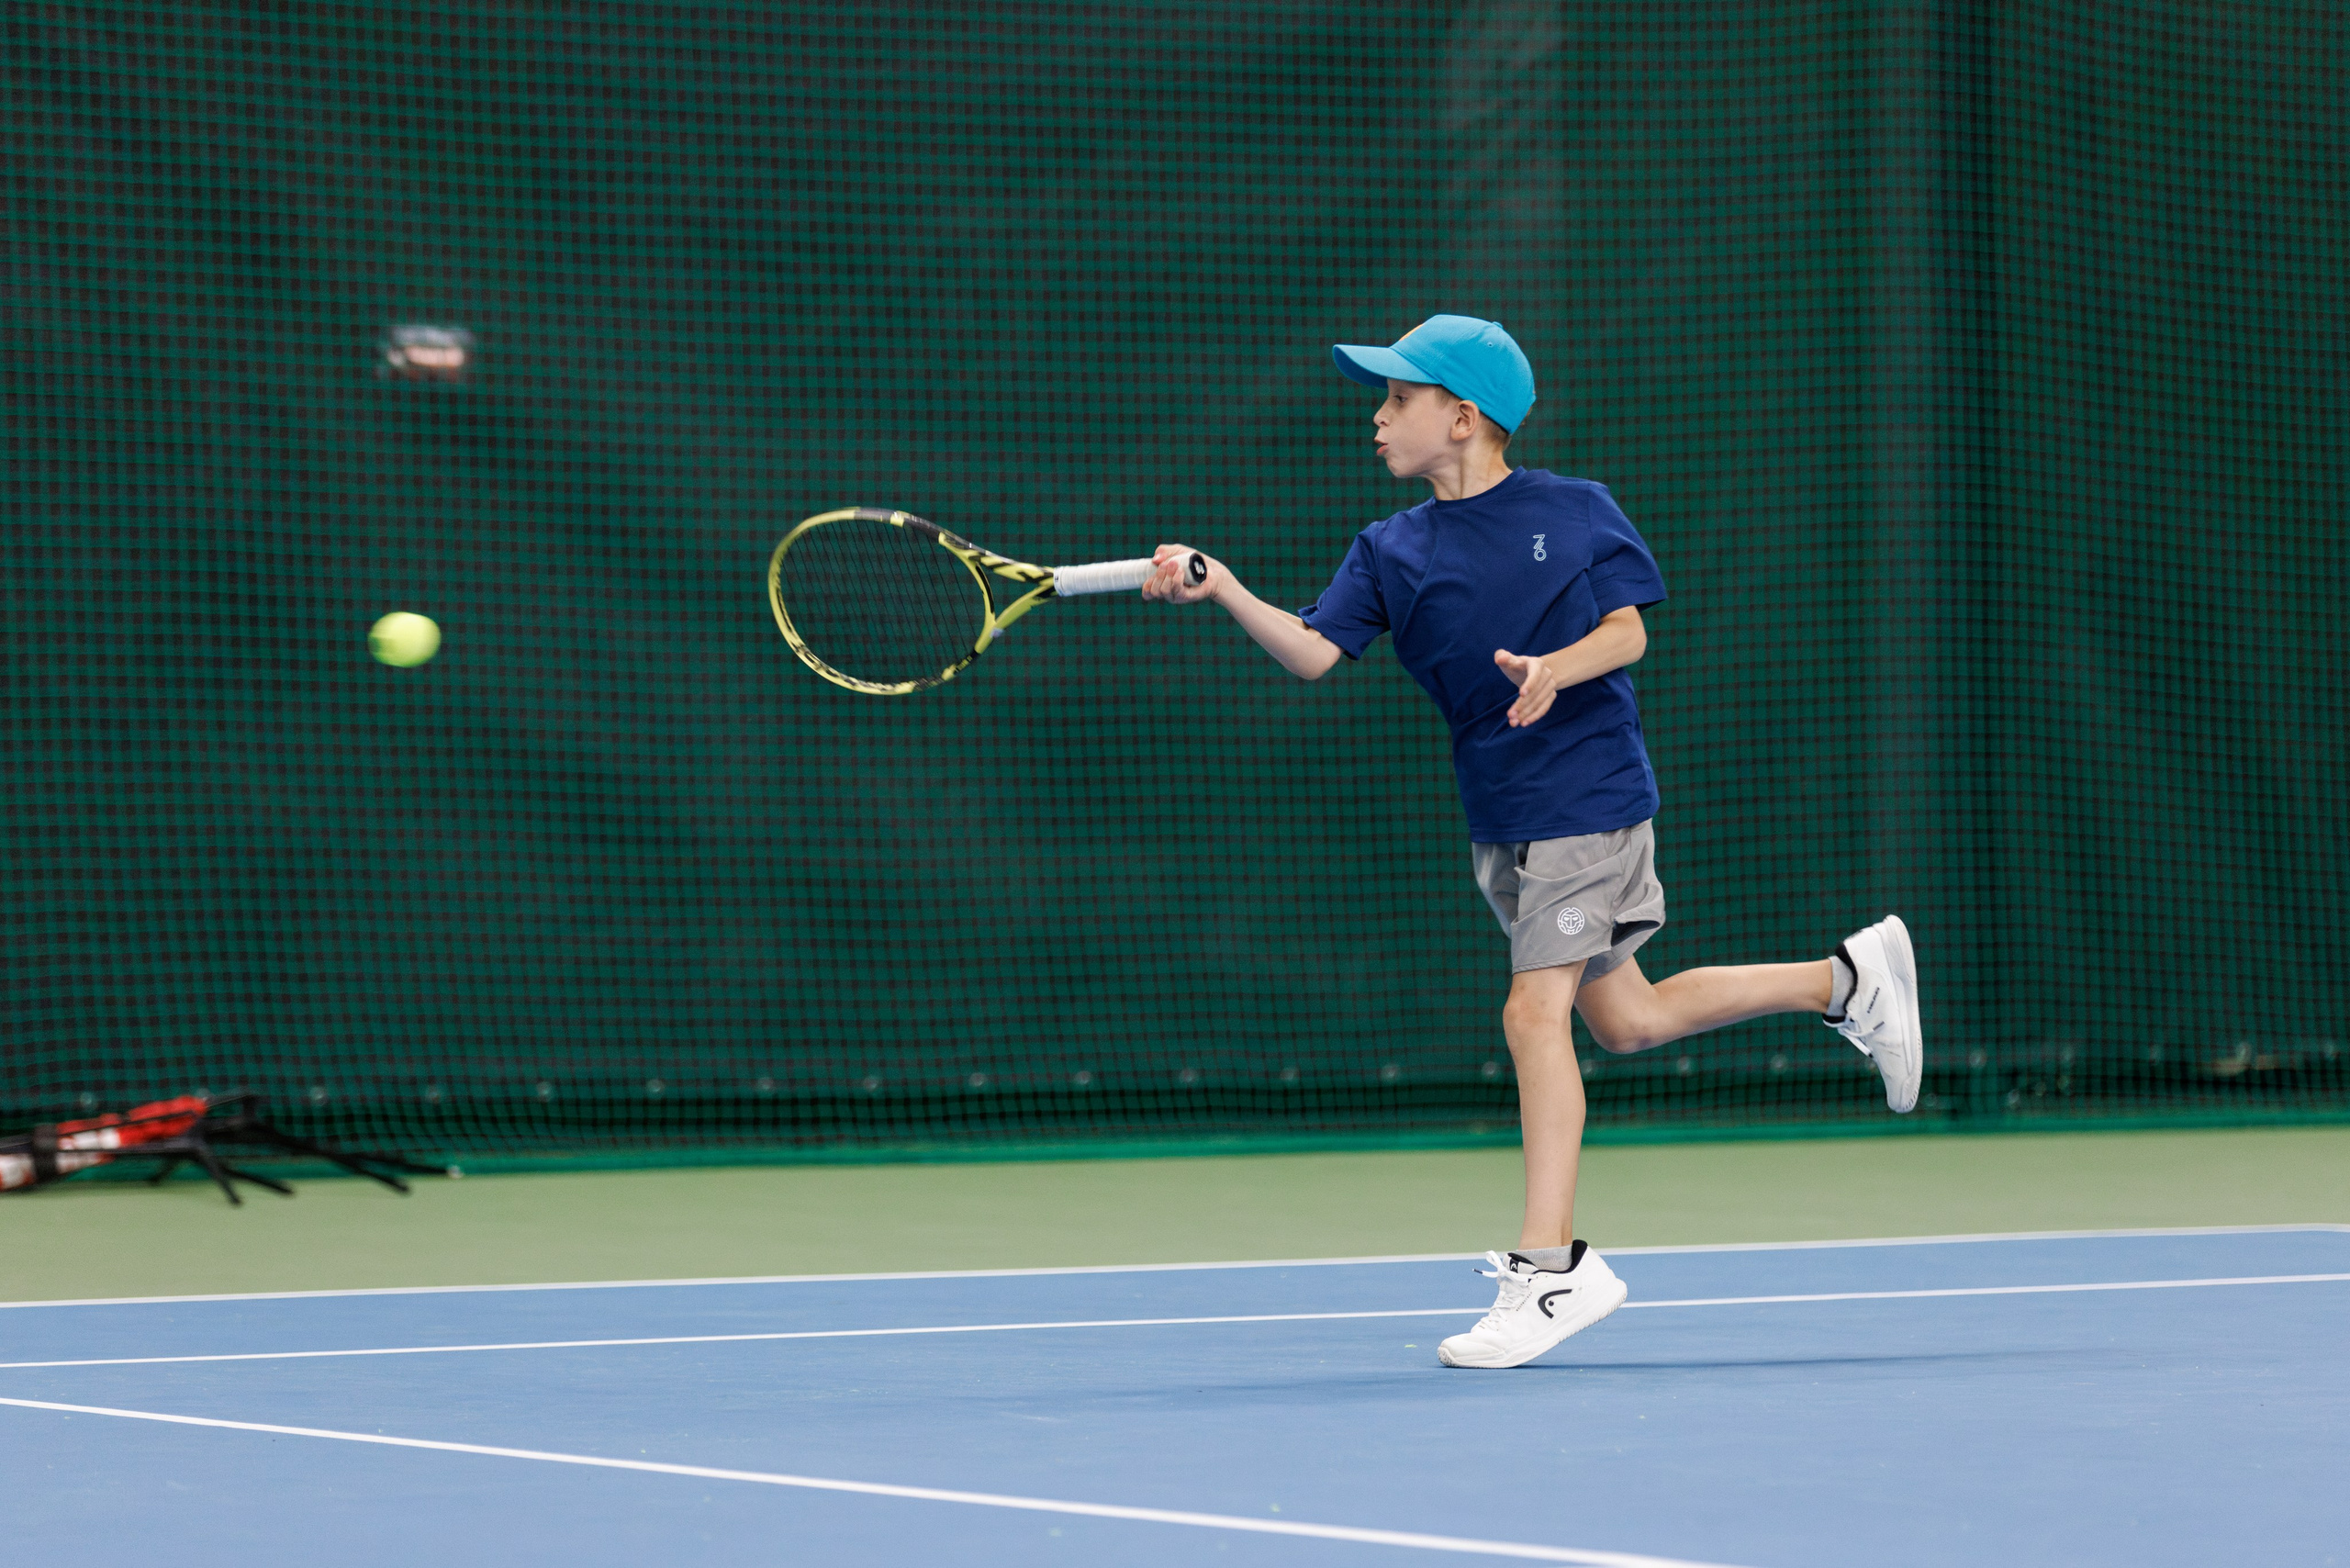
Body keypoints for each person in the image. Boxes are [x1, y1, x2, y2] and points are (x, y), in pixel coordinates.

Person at [1143, 314, 1923, 1370]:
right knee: (1626, 1019)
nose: (1377, 418)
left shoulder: (1572, 510)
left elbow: (1629, 630)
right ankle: (1842, 980)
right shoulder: (1389, 548)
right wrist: (1225, 587)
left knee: (1532, 1009)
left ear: (1462, 418)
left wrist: (1559, 664)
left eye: (1398, 399)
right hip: (1502, 813)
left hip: (1587, 791)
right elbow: (1316, 652)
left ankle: (1550, 1269)